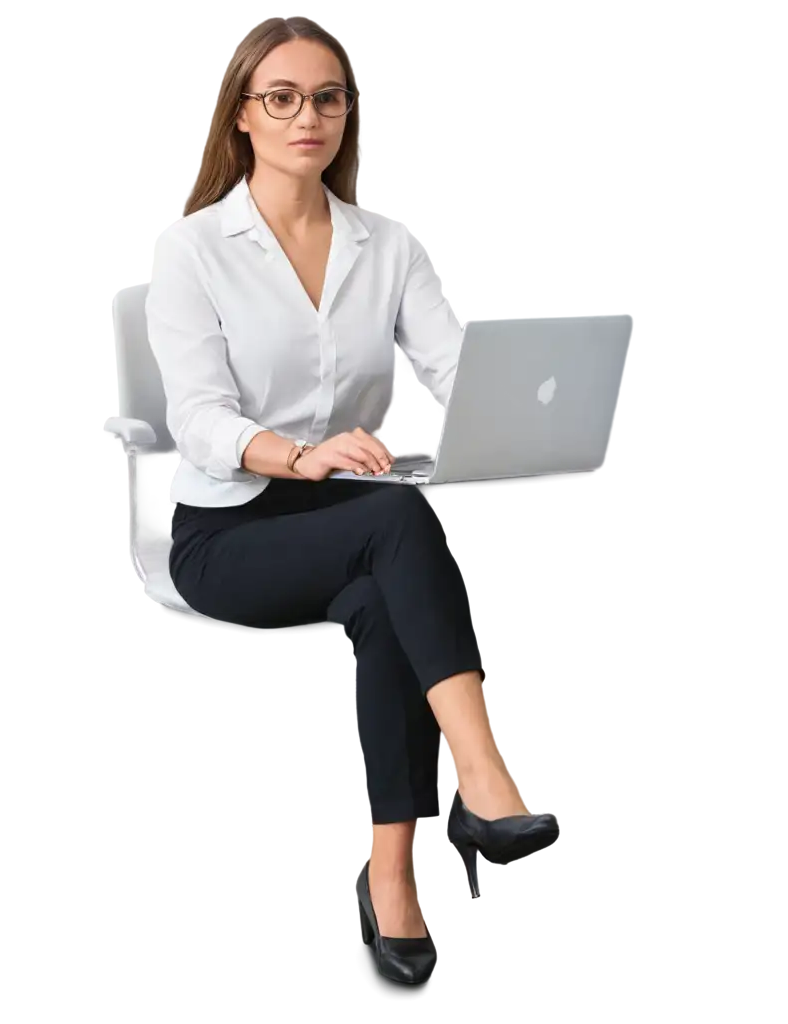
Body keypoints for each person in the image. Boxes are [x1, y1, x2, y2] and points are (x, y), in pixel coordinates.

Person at [145, 15, 563, 989]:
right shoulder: (192, 248)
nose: (308, 117)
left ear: (346, 113)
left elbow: (452, 367)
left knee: (387, 588)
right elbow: (199, 418)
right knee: (397, 520)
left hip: (346, 529)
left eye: (326, 97)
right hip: (228, 533)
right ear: (242, 117)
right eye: (281, 98)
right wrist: (299, 454)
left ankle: (391, 882)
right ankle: (481, 771)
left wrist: (506, 427)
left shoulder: (389, 243)